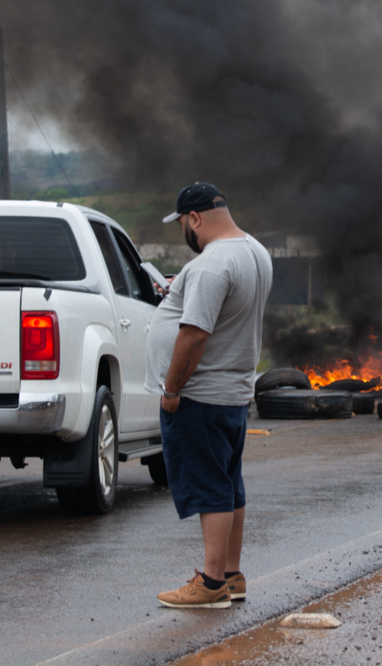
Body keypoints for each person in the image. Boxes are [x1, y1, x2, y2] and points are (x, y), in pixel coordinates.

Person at [145, 182, 273, 609]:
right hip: (233, 391)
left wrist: (171, 390)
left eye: (184, 223)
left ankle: (212, 582)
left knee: (209, 485)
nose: (185, 231)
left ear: (195, 218)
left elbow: (194, 335)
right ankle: (232, 576)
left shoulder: (212, 264)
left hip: (199, 394)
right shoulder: (254, 251)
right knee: (228, 483)